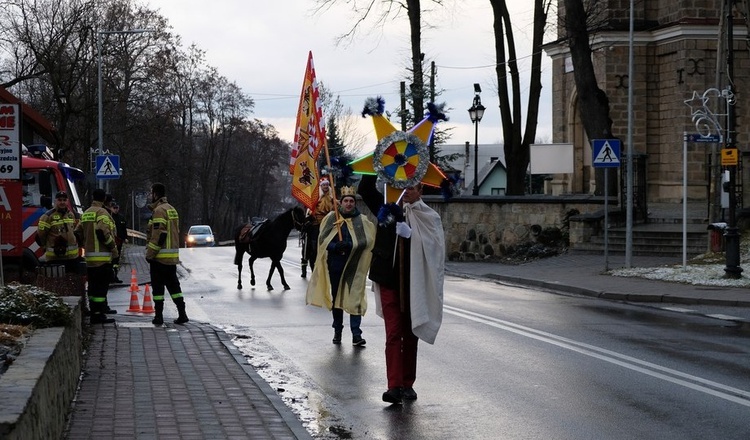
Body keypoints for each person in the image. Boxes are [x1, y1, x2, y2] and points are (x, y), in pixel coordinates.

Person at [358, 174, 445, 404]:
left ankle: (408, 384)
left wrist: (413, 236)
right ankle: (393, 386)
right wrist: (377, 164)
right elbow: (365, 188)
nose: (406, 191)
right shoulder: (386, 207)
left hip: (413, 283)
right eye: (402, 187)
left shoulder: (429, 216)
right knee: (393, 333)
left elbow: (436, 249)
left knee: (410, 333)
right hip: (388, 280)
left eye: (412, 188)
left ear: (421, 190)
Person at [306, 186, 375, 346]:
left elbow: (368, 240)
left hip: (354, 265)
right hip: (336, 264)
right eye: (346, 201)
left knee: (355, 297)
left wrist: (351, 244)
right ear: (341, 202)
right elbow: (323, 239)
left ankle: (356, 334)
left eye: (352, 201)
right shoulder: (332, 218)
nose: (349, 204)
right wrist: (335, 246)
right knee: (337, 298)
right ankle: (337, 330)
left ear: (355, 203)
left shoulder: (361, 220)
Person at [74, 188, 119, 324]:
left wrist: (85, 244)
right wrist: (113, 248)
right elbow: (102, 232)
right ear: (104, 199)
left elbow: (77, 232)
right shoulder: (102, 212)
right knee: (101, 288)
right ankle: (99, 315)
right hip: (103, 259)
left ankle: (94, 313)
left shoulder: (86, 213)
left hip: (90, 259)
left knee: (93, 288)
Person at [146, 182, 188, 325]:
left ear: (156, 194)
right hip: (171, 258)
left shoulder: (159, 211)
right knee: (174, 287)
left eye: (151, 193)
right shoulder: (172, 210)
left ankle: (158, 316)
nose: (150, 196)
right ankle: (182, 313)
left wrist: (150, 254)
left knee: (158, 289)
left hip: (159, 258)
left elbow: (160, 234)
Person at [36, 190, 81, 274]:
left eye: (64, 200)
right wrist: (46, 246)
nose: (62, 202)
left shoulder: (71, 214)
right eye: (60, 200)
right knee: (58, 284)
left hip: (72, 258)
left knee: (72, 282)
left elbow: (75, 231)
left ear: (67, 201)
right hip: (55, 258)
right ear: (55, 201)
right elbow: (41, 234)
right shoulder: (48, 216)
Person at [301, 177, 336, 277]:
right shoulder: (316, 197)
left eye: (326, 185)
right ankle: (307, 261)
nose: (325, 186)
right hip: (317, 223)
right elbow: (310, 209)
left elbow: (336, 208)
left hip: (329, 223)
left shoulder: (331, 197)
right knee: (312, 245)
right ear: (321, 186)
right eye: (323, 185)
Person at [109, 201, 128, 283]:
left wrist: (125, 238)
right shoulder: (109, 217)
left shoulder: (121, 218)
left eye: (117, 208)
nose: (116, 210)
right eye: (114, 208)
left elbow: (124, 229)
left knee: (116, 260)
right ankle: (110, 277)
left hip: (119, 241)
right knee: (111, 260)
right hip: (111, 242)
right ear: (111, 208)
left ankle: (115, 275)